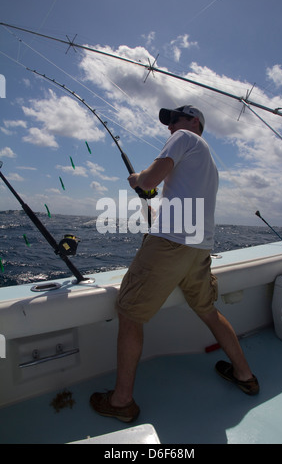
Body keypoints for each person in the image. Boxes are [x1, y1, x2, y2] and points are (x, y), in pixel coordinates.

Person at [90, 105, 259, 422]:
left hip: (170, 246)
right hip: (199, 248)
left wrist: (138, 180)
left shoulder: (184, 137)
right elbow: (177, 196)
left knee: (129, 312)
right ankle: (245, 375)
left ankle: (121, 401)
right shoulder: (208, 161)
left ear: (194, 121)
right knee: (208, 310)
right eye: (169, 124)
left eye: (175, 120)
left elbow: (151, 178)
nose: (170, 128)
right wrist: (152, 195)